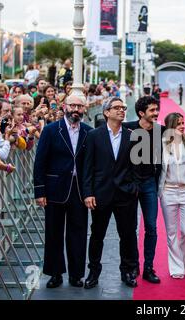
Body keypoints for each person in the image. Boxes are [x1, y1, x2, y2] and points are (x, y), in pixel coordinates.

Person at [33, 95, 92, 289]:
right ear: (65, 107)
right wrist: (39, 191)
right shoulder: (51, 130)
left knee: (79, 233)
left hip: (79, 190)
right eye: (72, 105)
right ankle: (55, 273)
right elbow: (39, 162)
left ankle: (76, 275)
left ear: (84, 108)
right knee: (53, 232)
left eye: (79, 106)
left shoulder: (88, 132)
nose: (76, 109)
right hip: (54, 189)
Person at [83, 98, 140, 289]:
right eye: (117, 108)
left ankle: (128, 271)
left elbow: (136, 166)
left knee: (128, 234)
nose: (122, 111)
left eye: (123, 108)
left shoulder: (132, 136)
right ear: (106, 112)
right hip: (101, 193)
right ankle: (93, 272)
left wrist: (133, 187)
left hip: (125, 194)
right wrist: (88, 193)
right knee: (97, 234)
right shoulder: (93, 135)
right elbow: (87, 167)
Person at [123, 96, 165, 284]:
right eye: (152, 110)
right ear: (141, 113)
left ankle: (148, 267)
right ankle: (131, 267)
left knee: (151, 227)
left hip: (149, 183)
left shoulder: (161, 131)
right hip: (130, 184)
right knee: (129, 228)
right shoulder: (128, 128)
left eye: (157, 110)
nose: (156, 113)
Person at [158, 112, 185, 279]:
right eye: (178, 123)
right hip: (168, 191)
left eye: (182, 122)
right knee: (172, 232)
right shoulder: (162, 145)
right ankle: (176, 267)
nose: (182, 126)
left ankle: (184, 260)